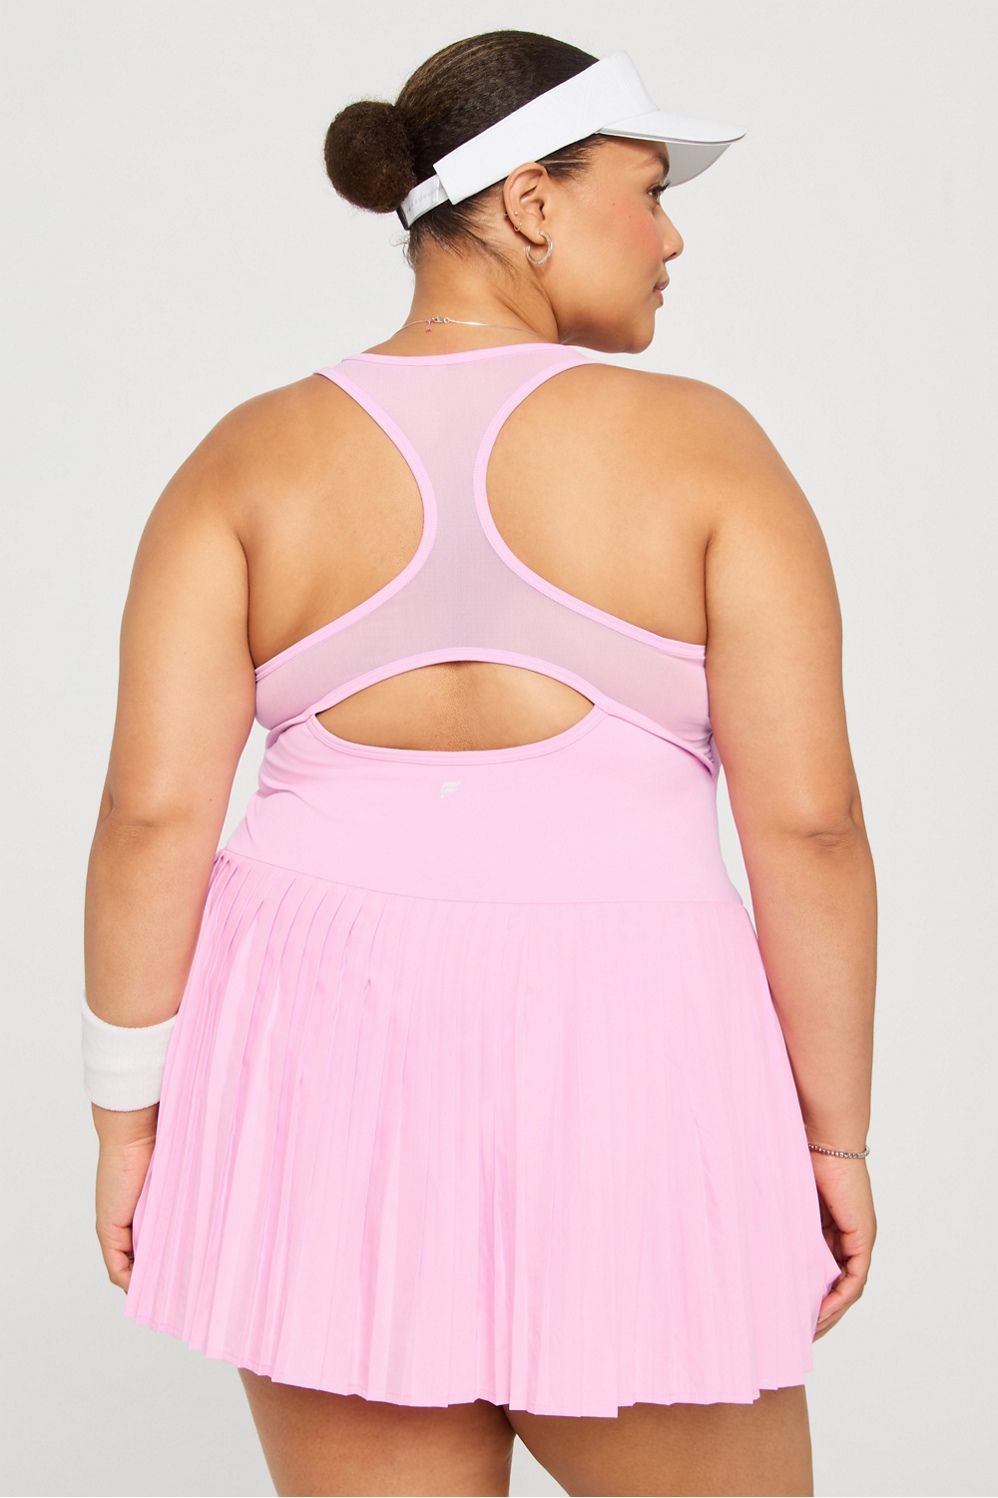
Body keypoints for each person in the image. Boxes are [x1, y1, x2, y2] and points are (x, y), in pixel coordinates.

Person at [82, 29, 877, 1498]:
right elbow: (810, 824)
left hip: (324, 1071)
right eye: (648, 188)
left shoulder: (246, 458)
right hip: (628, 1064)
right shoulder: (704, 449)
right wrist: (835, 1142)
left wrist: (126, 1116)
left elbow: (150, 816)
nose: (672, 236)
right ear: (529, 200)